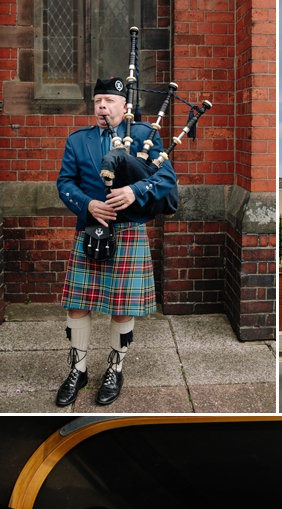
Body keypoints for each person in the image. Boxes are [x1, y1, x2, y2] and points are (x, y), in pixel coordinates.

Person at [54, 77, 178, 408]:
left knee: (122, 308)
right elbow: (65, 181)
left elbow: (167, 178)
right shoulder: (78, 141)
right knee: (77, 304)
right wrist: (87, 204)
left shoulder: (144, 137)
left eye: (109, 100)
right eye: (98, 101)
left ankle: (115, 367)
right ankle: (78, 369)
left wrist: (133, 190)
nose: (102, 107)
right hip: (90, 229)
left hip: (128, 230)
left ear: (125, 107)